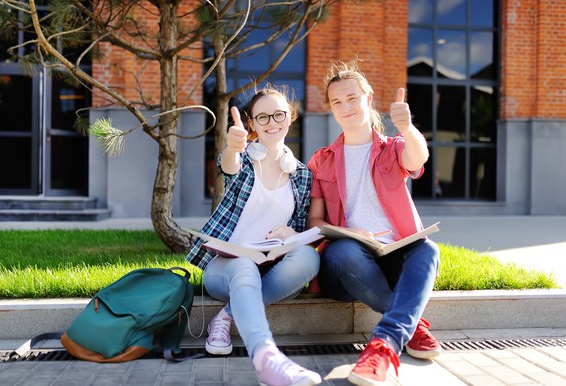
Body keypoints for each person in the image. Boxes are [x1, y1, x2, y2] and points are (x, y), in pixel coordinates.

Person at [307, 61, 441, 386]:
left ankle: (384, 347)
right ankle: (412, 324)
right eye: (337, 102)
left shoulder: (393, 148)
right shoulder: (322, 160)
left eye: (351, 98)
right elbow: (315, 221)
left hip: (393, 255)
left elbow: (417, 158)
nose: (345, 107)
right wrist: (350, 232)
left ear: (368, 99)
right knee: (344, 252)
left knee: (428, 250)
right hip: (346, 264)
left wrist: (408, 129)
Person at [186, 85, 322, 386]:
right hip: (226, 268)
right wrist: (233, 147)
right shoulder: (244, 158)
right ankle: (266, 360)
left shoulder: (301, 174)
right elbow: (227, 167)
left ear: (291, 117)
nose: (272, 122)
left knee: (309, 258)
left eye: (278, 115)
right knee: (244, 266)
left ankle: (226, 316)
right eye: (262, 118)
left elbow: (301, 229)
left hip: (272, 270)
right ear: (251, 124)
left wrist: (292, 232)